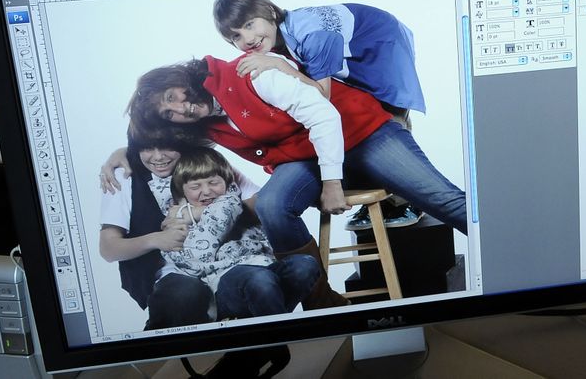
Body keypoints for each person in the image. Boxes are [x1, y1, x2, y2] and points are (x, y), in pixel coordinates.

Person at [126, 54, 468, 307]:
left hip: (360, 133)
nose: (180, 110)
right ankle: (323, 303)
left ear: (180, 79)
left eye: (173, 97)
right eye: (168, 113)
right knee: (273, 205)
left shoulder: (249, 74)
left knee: (442, 199)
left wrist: (332, 183)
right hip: (304, 157)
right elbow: (157, 148)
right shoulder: (203, 123)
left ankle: (514, 259)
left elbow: (323, 115)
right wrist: (122, 156)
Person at [213, 0, 427, 229]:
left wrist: (277, 66)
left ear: (271, 11)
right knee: (358, 114)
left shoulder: (310, 34)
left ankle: (407, 200)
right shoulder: (276, 40)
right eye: (236, 37)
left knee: (388, 114)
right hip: (354, 48)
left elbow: (321, 94)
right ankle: (384, 202)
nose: (248, 38)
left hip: (381, 44)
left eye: (250, 24)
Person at [98, 137, 260, 329]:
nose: (158, 157)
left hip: (226, 261)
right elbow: (108, 248)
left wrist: (199, 212)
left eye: (167, 145)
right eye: (147, 147)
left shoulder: (203, 163)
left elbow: (261, 202)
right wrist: (156, 239)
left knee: (258, 282)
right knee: (185, 293)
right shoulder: (126, 176)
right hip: (173, 269)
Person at [162, 149, 318, 319]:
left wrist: (206, 210)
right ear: (182, 192)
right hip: (226, 281)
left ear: (227, 183)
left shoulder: (236, 203)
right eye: (195, 186)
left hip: (265, 269)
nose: (206, 191)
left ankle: (262, 317)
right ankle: (278, 337)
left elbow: (264, 212)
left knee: (305, 265)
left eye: (213, 182)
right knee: (259, 280)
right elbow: (199, 256)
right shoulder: (179, 219)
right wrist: (200, 212)